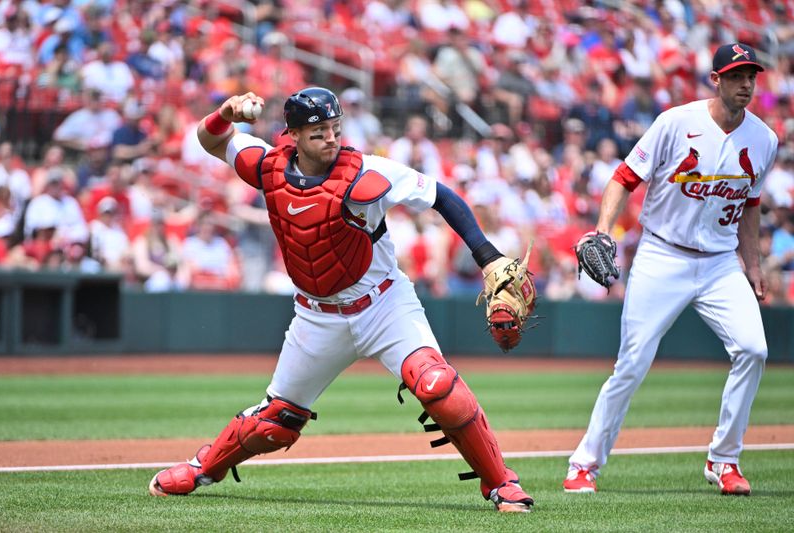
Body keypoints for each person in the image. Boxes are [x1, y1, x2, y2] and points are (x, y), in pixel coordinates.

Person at [148, 86, 534, 512]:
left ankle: (501, 483)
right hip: (316, 316)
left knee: (438, 386)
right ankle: (204, 467)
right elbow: (211, 139)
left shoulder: (368, 172)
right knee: (275, 423)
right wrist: (225, 111)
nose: (331, 138)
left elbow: (442, 197)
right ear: (292, 134)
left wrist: (487, 257)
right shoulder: (266, 166)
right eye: (318, 132)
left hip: (385, 303)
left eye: (335, 128)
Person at [562, 43, 777, 496]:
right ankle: (584, 464)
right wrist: (604, 231)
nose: (745, 84)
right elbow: (624, 178)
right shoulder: (676, 123)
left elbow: (751, 204)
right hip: (663, 255)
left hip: (720, 262)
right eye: (736, 75)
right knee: (632, 364)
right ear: (715, 79)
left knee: (753, 348)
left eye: (751, 76)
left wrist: (752, 264)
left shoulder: (764, 139)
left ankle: (724, 460)